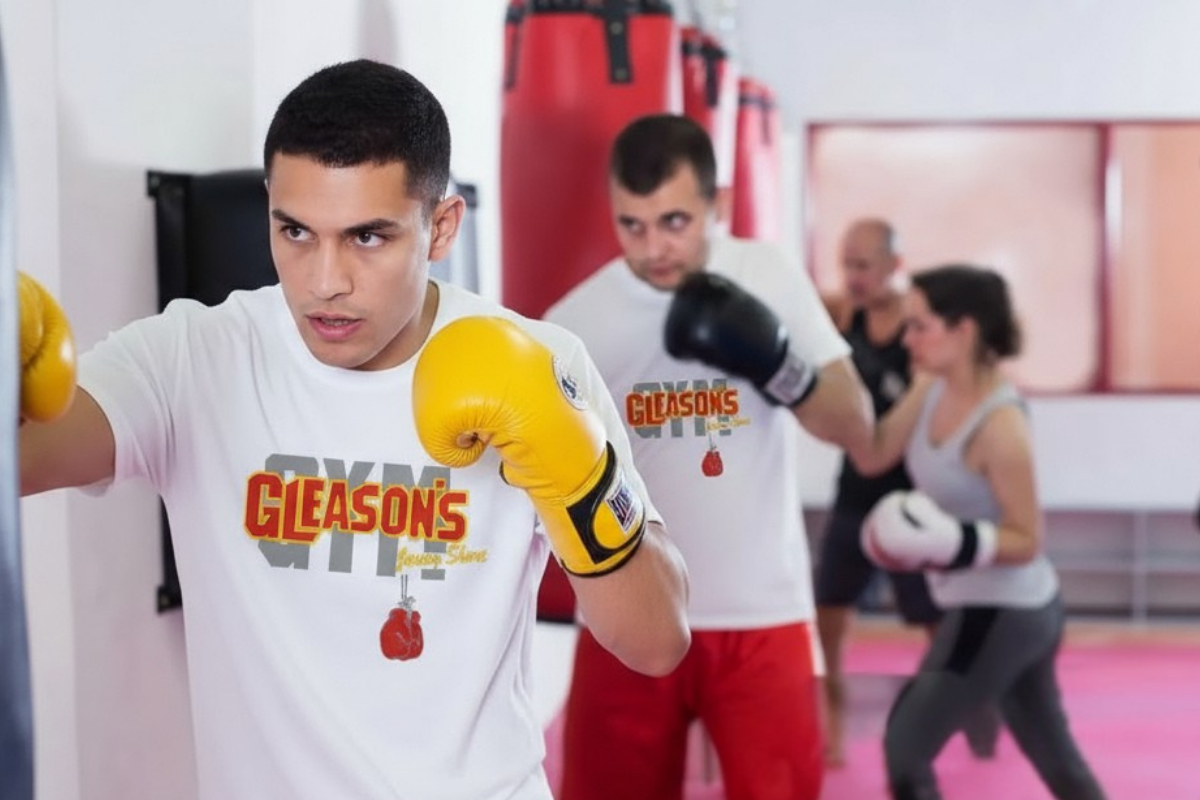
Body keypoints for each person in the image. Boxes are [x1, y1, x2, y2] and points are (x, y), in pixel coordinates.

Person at [18, 60, 690, 800]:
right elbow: (25, 458)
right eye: (296, 231)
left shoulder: (542, 362)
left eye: (367, 237)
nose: (324, 280)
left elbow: (656, 641)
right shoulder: (193, 359)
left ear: (440, 227)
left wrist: (575, 471)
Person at [544, 113, 874, 800]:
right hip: (631, 617)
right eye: (631, 225)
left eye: (674, 222)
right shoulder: (576, 325)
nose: (654, 248)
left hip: (761, 615)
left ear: (716, 206)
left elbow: (855, 423)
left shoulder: (766, 274)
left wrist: (780, 365)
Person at [850, 264, 1107, 800]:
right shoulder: (928, 388)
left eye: (921, 325)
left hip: (1005, 612)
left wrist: (955, 542)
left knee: (906, 745)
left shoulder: (1000, 426)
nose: (907, 337)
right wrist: (802, 388)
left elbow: (1027, 538)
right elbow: (873, 454)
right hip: (997, 609)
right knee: (1058, 761)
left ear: (963, 331)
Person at [815, 219, 997, 766]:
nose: (853, 277)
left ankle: (976, 709)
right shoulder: (840, 314)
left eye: (864, 266)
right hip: (853, 495)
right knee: (827, 619)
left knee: (934, 625)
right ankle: (834, 731)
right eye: (846, 264)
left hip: (912, 501)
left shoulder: (920, 334)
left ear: (894, 266)